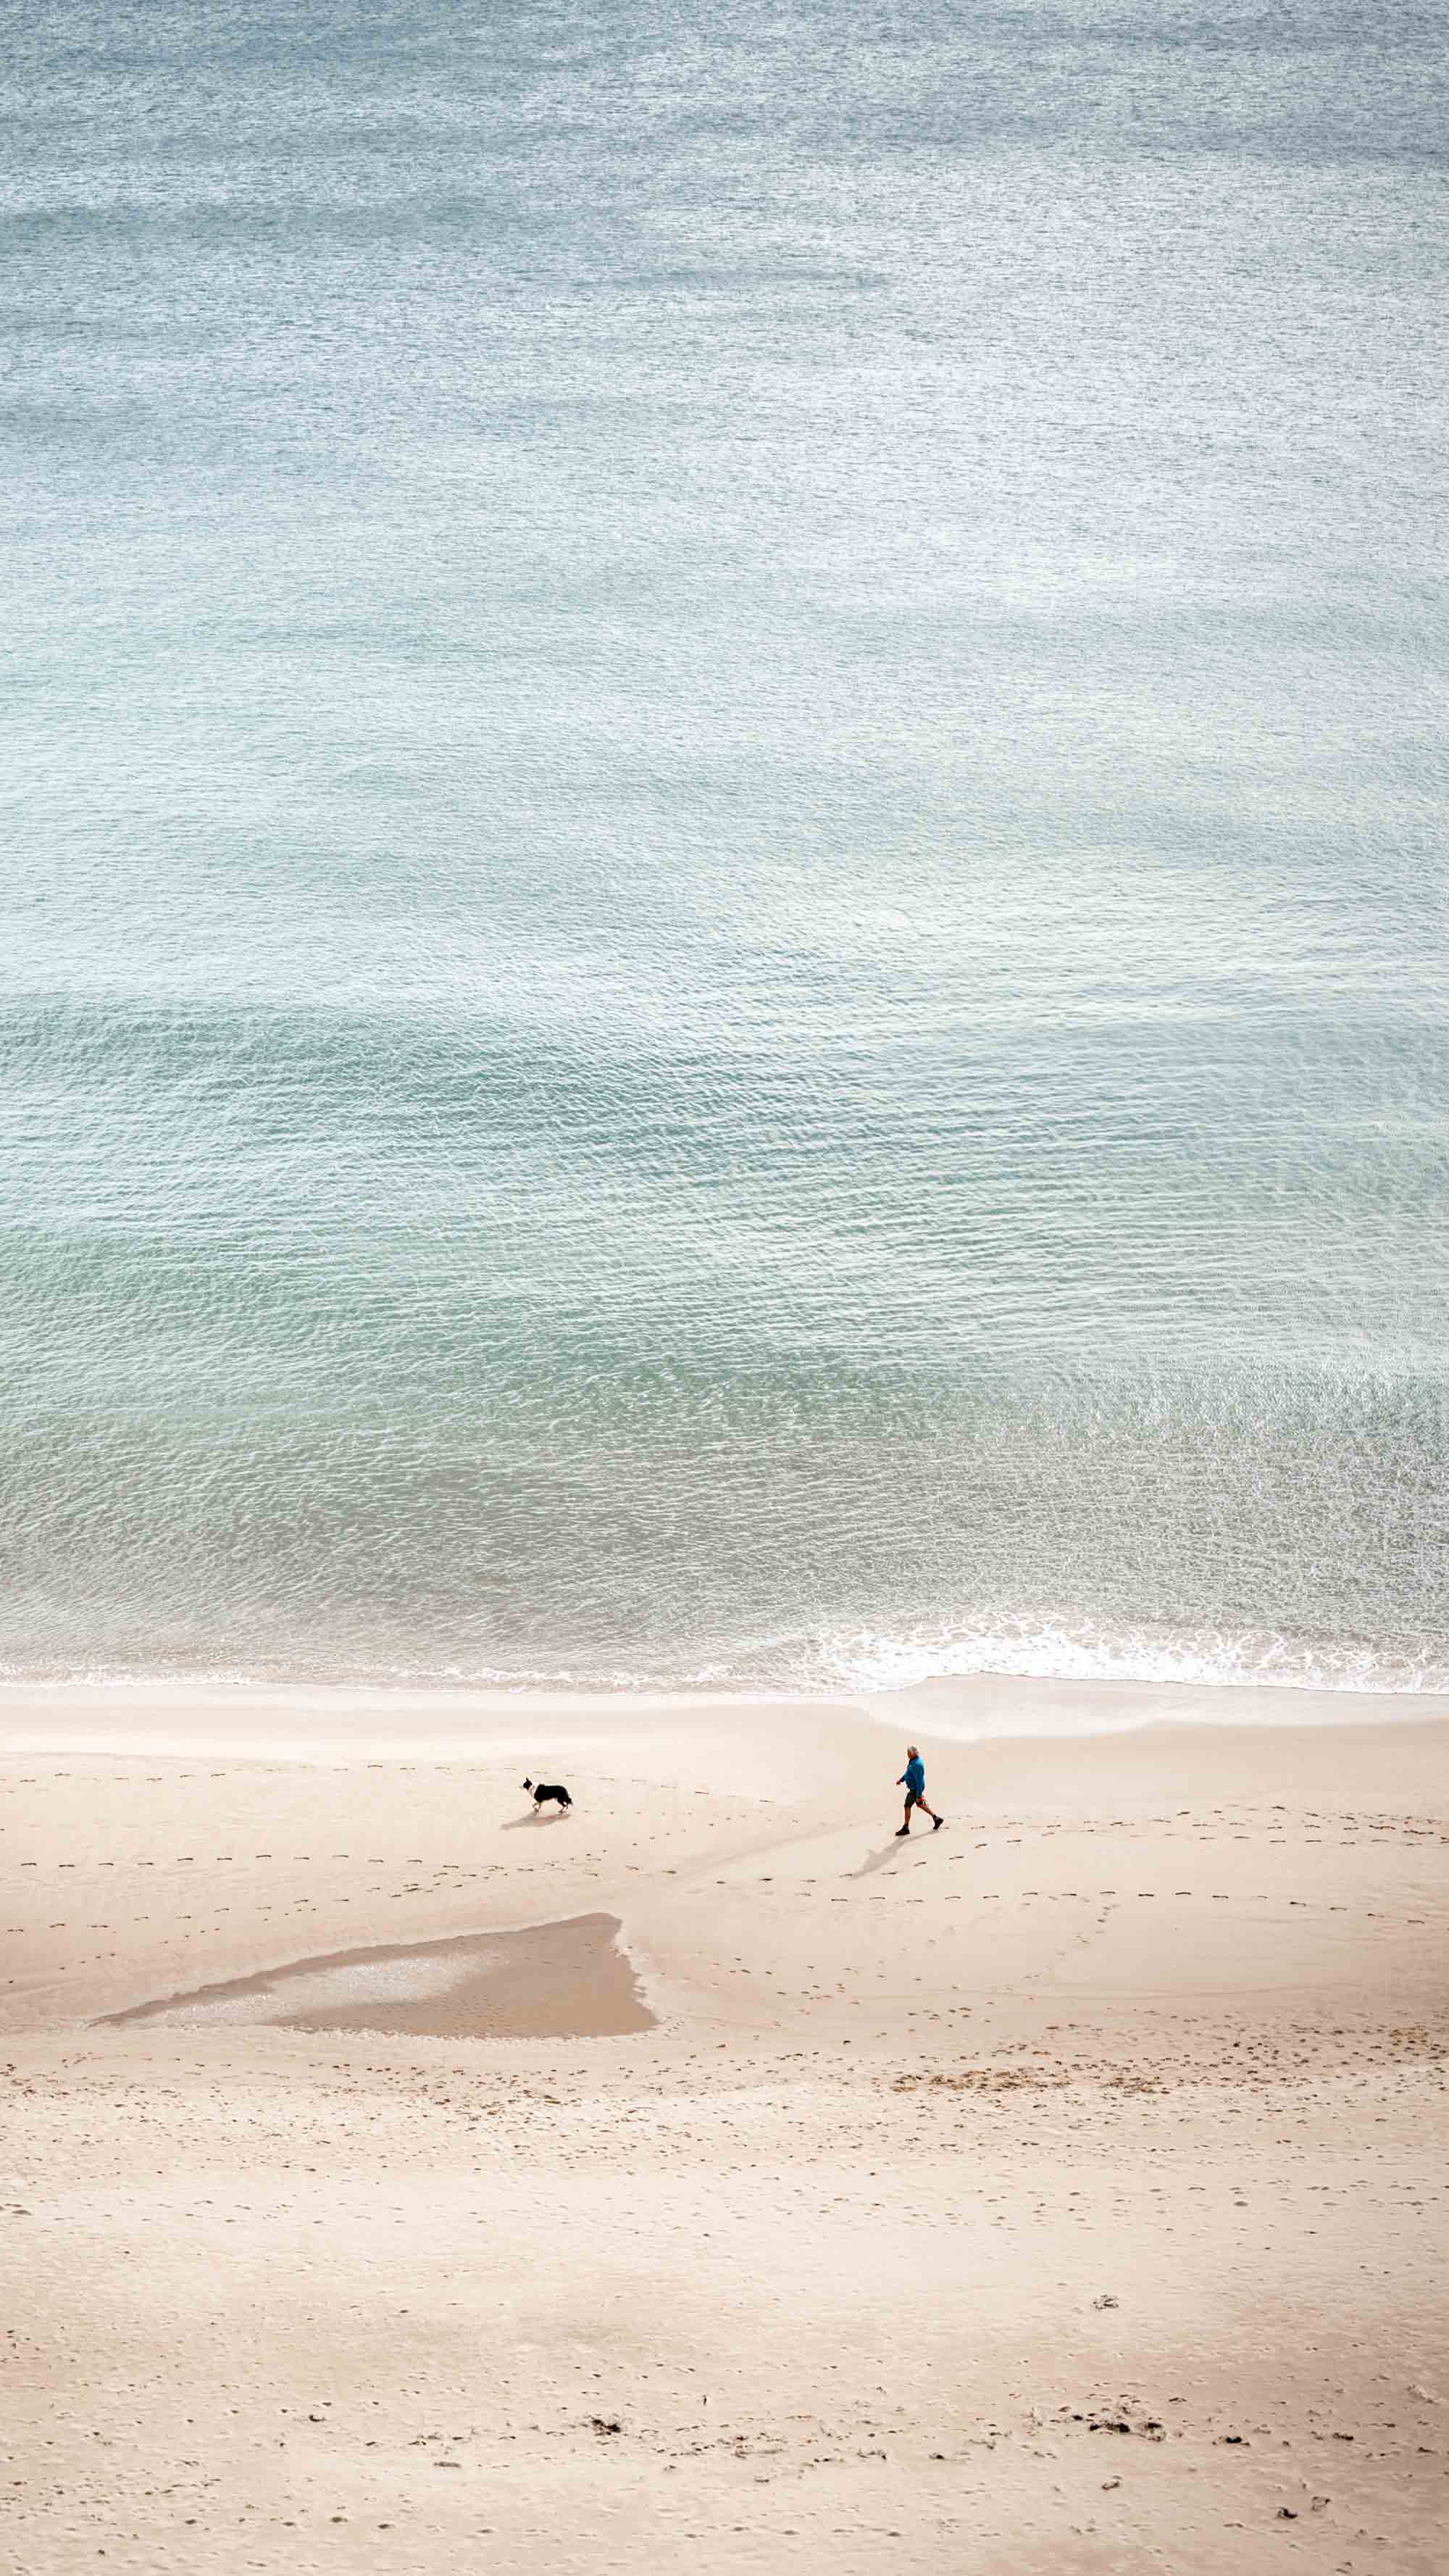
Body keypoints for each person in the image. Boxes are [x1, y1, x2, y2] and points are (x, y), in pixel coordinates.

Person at [895, 1744, 943, 1835]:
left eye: (909, 1753)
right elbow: (908, 1773)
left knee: (907, 1806)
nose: (907, 1754)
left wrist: (918, 1795)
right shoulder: (912, 1761)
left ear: (914, 1753)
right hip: (915, 1789)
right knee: (920, 1804)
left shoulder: (917, 1765)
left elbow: (919, 1782)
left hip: (915, 1789)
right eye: (907, 1753)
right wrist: (901, 1780)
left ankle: (906, 1827)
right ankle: (936, 1819)